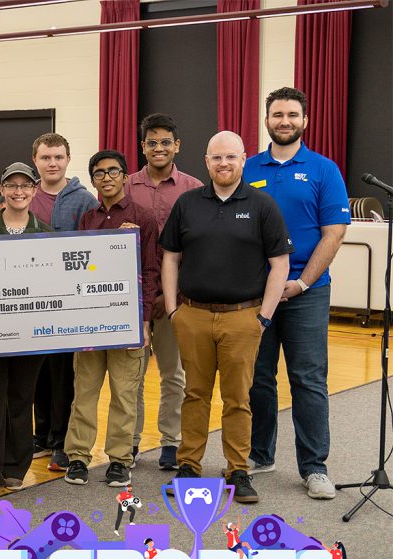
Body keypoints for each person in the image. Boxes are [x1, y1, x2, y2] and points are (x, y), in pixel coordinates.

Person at [160, 131, 293, 504]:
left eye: (231, 157)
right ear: (206, 162)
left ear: (243, 160)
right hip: (194, 316)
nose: (224, 164)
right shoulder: (187, 204)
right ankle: (189, 466)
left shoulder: (263, 205)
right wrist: (173, 310)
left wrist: (264, 317)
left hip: (243, 318)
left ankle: (238, 469)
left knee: (238, 399)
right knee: (195, 394)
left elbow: (279, 264)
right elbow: (170, 257)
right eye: (217, 157)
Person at [245, 87, 350, 500]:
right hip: (257, 293)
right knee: (258, 378)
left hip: (308, 292)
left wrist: (303, 281)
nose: (284, 121)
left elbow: (335, 232)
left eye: (292, 114)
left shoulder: (325, 170)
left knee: (308, 379)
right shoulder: (249, 166)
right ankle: (260, 454)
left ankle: (314, 467)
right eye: (277, 114)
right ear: (267, 120)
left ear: (305, 121)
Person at [63, 150, 158, 489]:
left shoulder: (143, 218)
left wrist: (144, 322)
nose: (106, 177)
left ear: (124, 175)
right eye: (99, 173)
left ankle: (119, 460)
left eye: (112, 171)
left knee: (124, 393)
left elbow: (150, 271)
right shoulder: (87, 219)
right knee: (84, 392)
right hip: (91, 321)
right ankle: (78, 457)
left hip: (127, 322)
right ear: (93, 180)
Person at [127, 113, 204, 470]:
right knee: (134, 375)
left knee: (174, 374)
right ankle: (130, 440)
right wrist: (143, 296)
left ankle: (171, 442)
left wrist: (168, 296)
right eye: (151, 142)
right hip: (134, 302)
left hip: (176, 300)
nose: (158, 148)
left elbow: (198, 246)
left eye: (165, 142)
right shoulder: (125, 186)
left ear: (177, 146)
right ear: (143, 147)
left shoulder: (193, 188)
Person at [0, 162, 49, 499]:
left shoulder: (47, 233)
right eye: (11, 185)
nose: (18, 191)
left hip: (29, 333)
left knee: (20, 398)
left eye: (25, 186)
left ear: (34, 190)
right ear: (1, 189)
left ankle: (15, 468)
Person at [28, 133, 98, 471]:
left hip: (69, 303)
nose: (52, 163)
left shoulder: (84, 200)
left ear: (68, 159)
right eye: (45, 158)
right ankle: (40, 435)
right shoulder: (26, 196)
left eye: (58, 157)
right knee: (38, 372)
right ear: (36, 161)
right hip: (32, 301)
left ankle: (61, 439)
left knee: (63, 374)